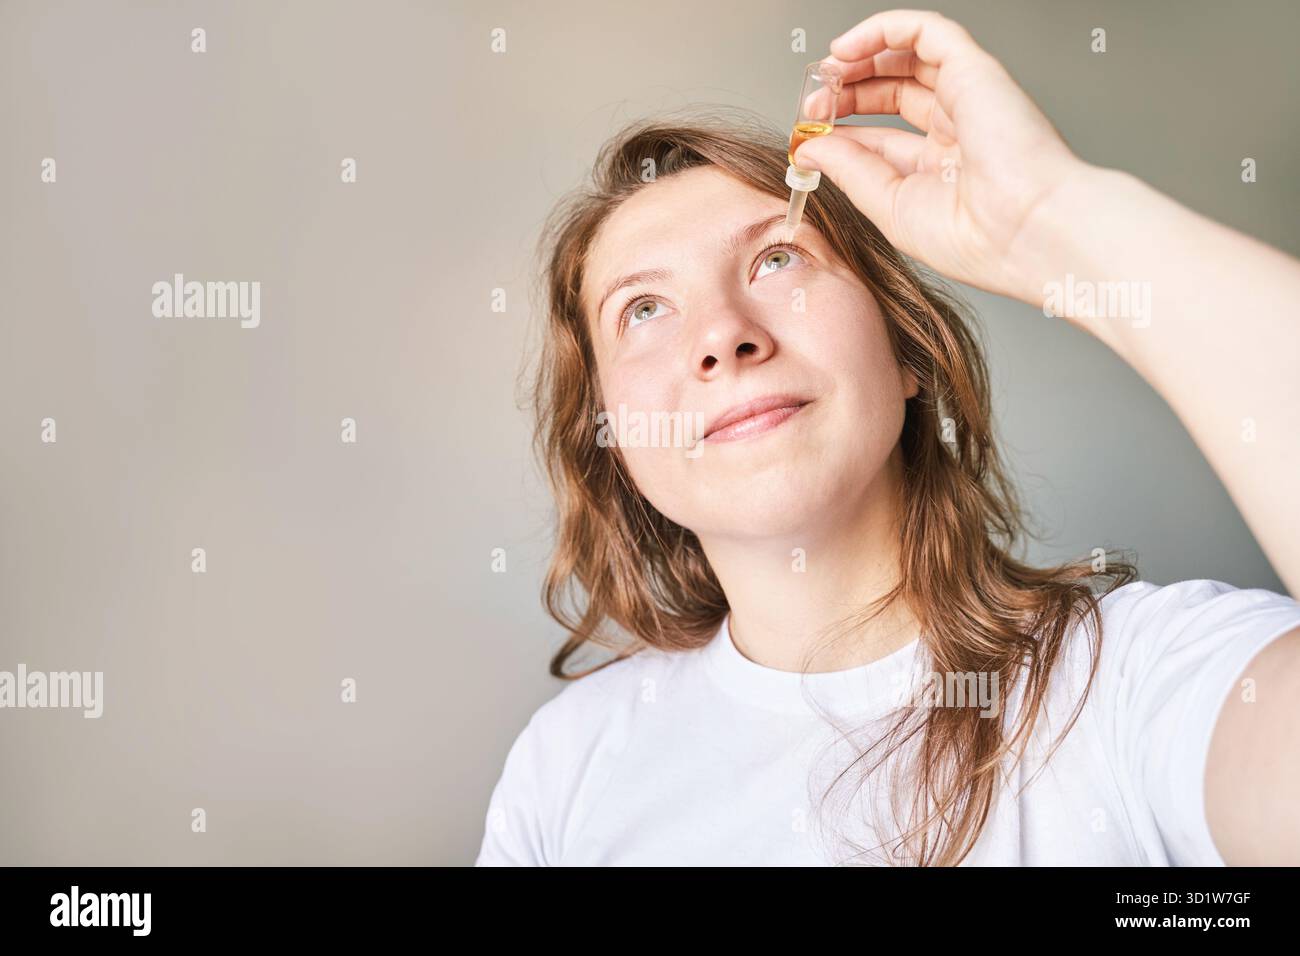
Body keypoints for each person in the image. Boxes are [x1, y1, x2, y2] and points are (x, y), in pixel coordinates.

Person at [475, 9, 1300, 866]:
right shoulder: (565, 767)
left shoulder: (1139, 681)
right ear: (613, 438)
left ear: (904, 351)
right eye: (643, 310)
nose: (722, 334)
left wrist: (1054, 222)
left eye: (777, 259)